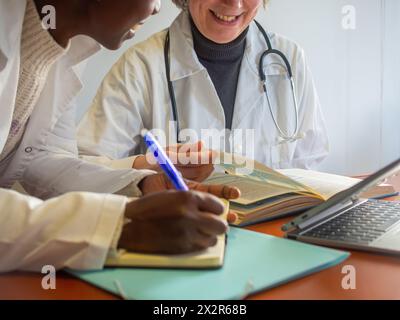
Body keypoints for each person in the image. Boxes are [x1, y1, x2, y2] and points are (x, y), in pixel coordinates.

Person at [0, 0, 240, 272]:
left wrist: (139, 186)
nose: (158, 8)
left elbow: (42, 159)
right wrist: (116, 226)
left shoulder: (67, 43)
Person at [78, 0, 329, 171]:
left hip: (273, 237)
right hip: (180, 237)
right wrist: (146, 168)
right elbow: (87, 165)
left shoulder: (288, 60)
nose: (234, 3)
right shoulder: (140, 66)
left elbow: (308, 162)